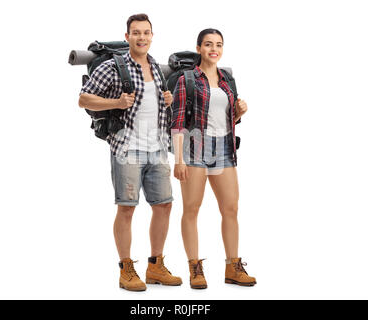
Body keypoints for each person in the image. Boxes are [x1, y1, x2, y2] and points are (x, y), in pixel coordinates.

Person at [79, 13, 182, 291]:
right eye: (136, 33)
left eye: (146, 33)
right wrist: (117, 101)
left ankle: (155, 266)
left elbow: (154, 105)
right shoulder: (113, 67)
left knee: (164, 206)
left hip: (157, 148)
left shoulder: (155, 67)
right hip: (127, 149)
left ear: (152, 35)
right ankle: (126, 270)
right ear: (127, 37)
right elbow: (83, 99)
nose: (141, 37)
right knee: (126, 208)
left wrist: (167, 100)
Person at [171, 28, 256, 289]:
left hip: (225, 148)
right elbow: (177, 121)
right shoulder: (187, 79)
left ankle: (233, 266)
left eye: (218, 44)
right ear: (199, 49)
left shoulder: (227, 79)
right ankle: (195, 268)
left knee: (230, 209)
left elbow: (228, 117)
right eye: (208, 44)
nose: (213, 49)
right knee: (192, 209)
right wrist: (178, 160)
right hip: (195, 146)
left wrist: (240, 112)